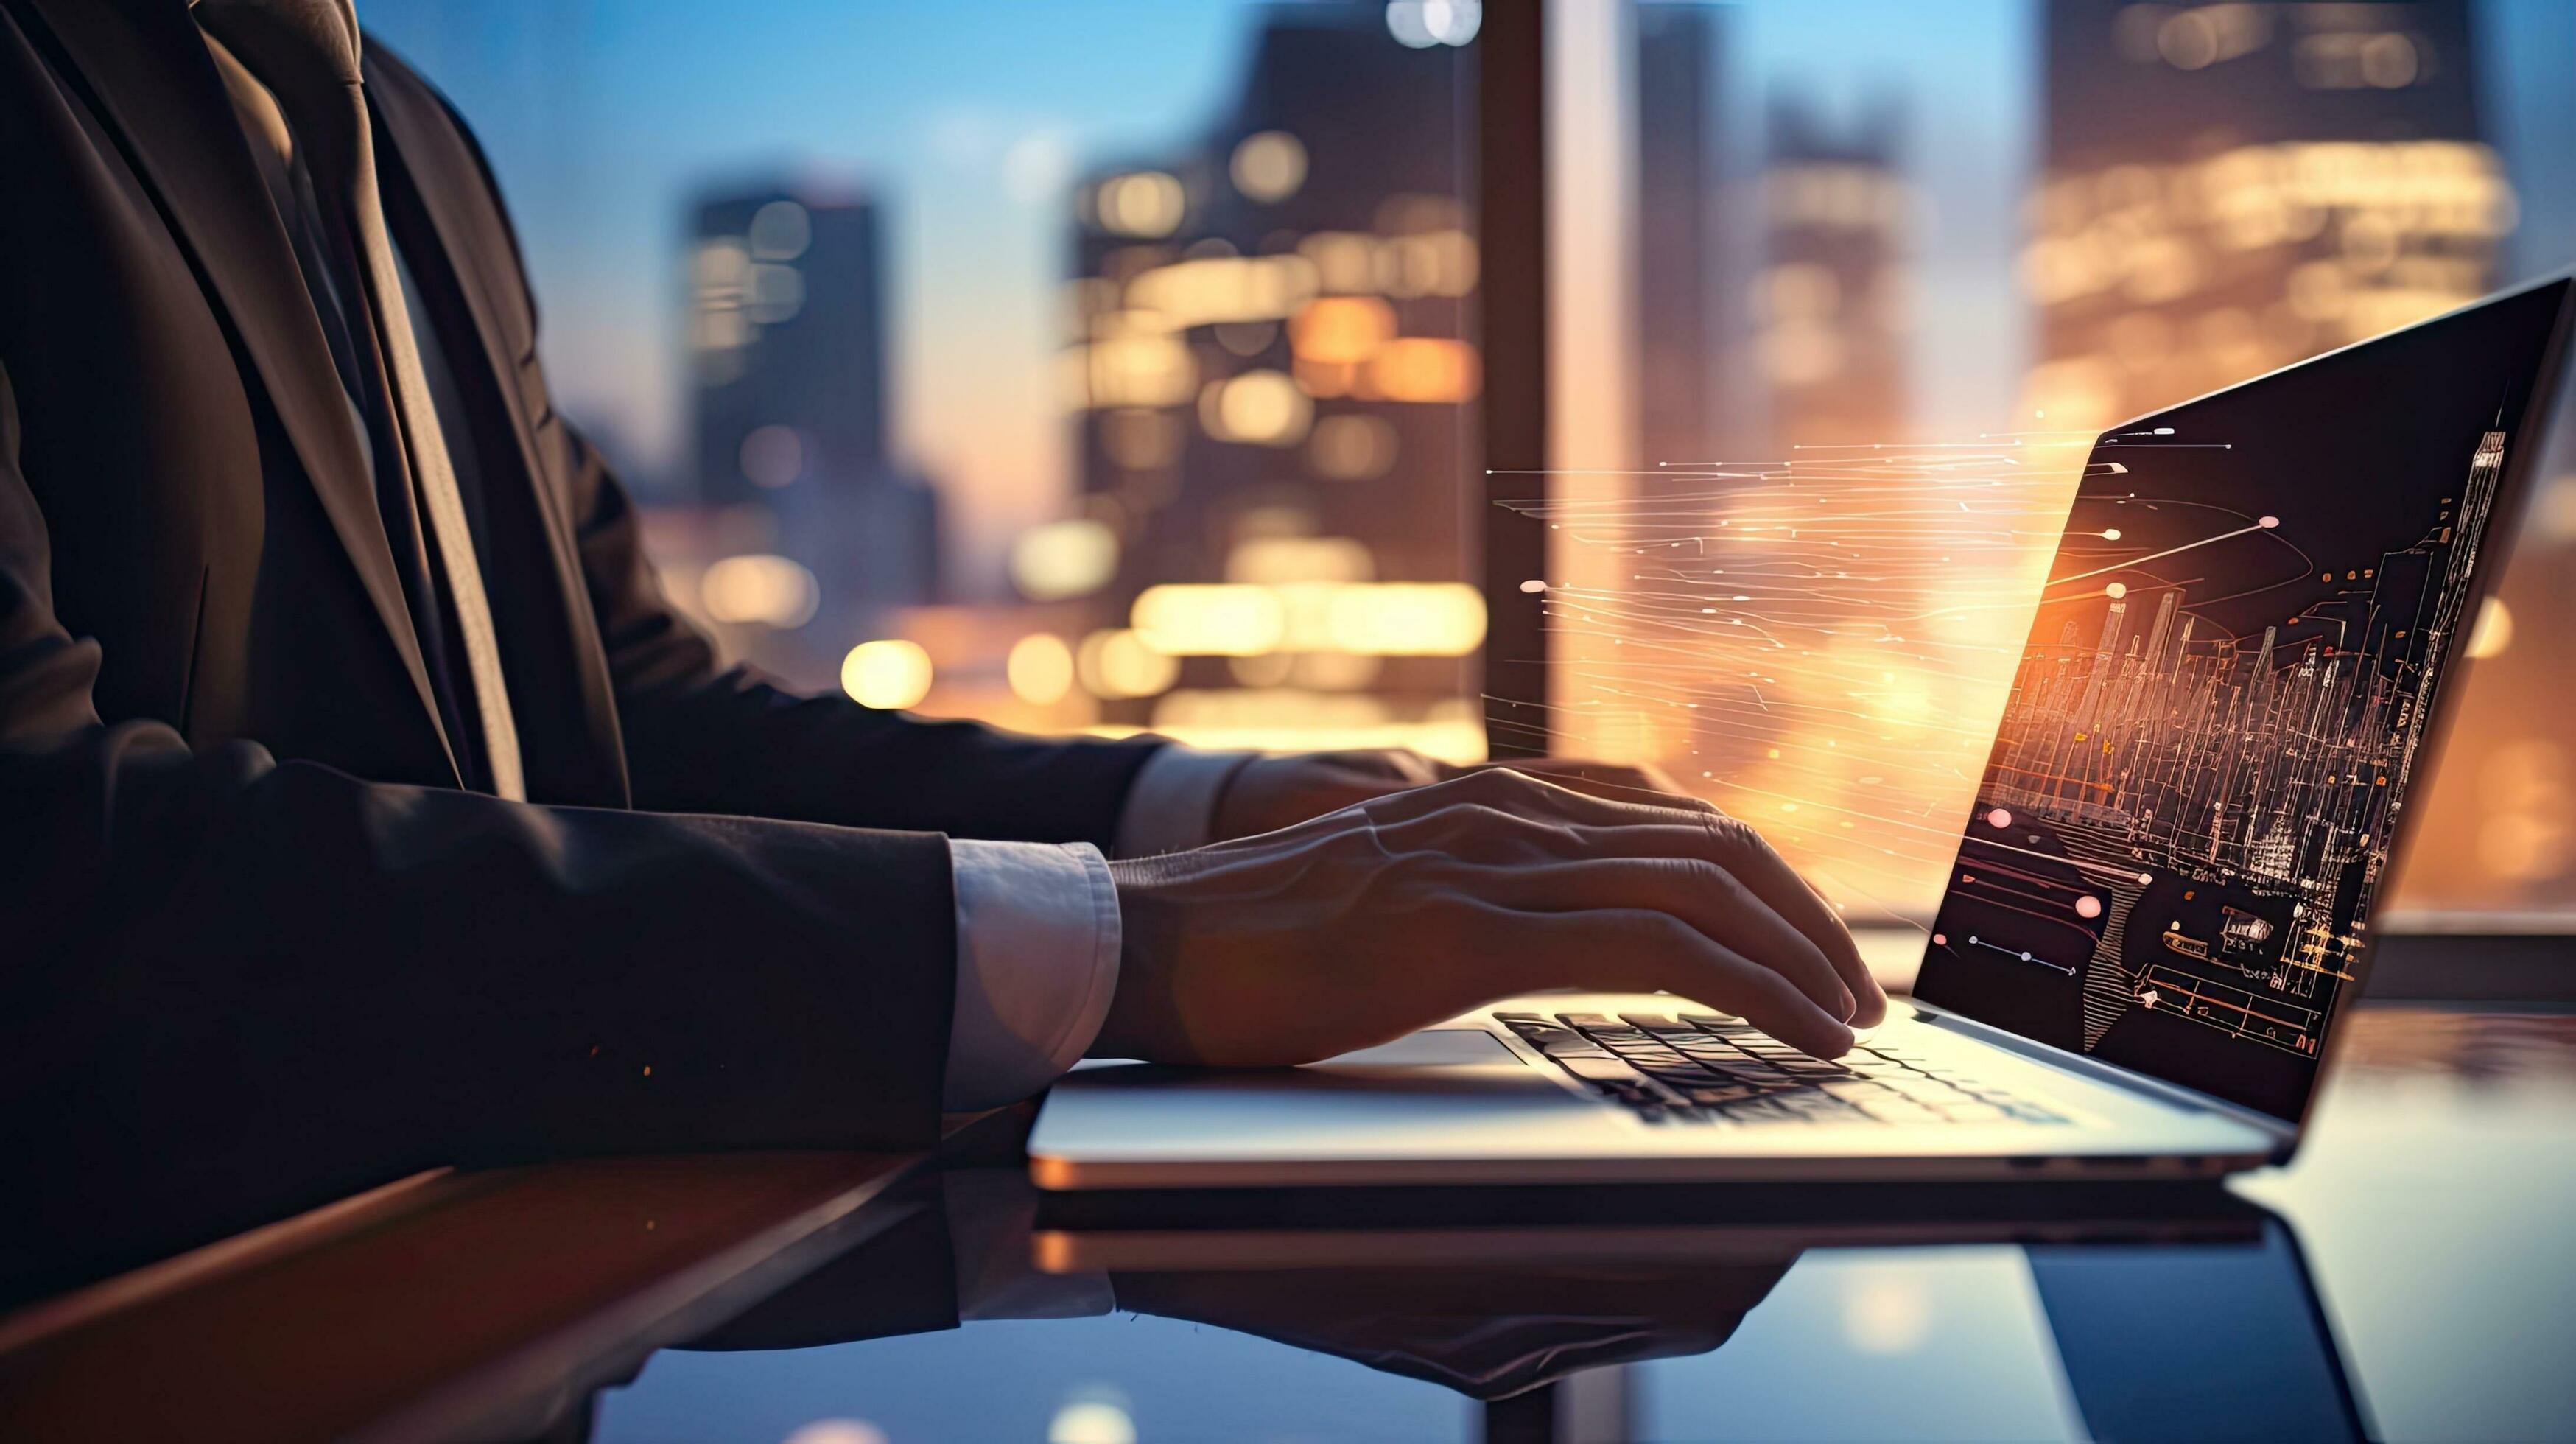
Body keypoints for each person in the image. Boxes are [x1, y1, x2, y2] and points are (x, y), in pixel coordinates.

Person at [0, 0, 1884, 1282]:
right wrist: (1131, 949)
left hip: (491, 1290)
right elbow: (49, 870)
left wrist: (1214, 808)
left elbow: (627, 720)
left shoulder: (399, 130)